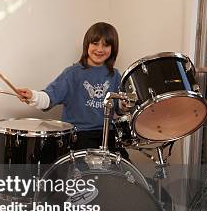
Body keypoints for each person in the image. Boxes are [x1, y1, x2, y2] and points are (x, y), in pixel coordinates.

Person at [16, 22, 129, 158]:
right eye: (95, 43)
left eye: (106, 45)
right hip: (79, 136)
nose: (100, 49)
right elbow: (50, 97)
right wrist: (33, 96)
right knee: (91, 175)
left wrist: (124, 106)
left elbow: (119, 109)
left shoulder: (115, 75)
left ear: (113, 48)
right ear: (87, 44)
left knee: (126, 170)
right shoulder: (72, 74)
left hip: (108, 135)